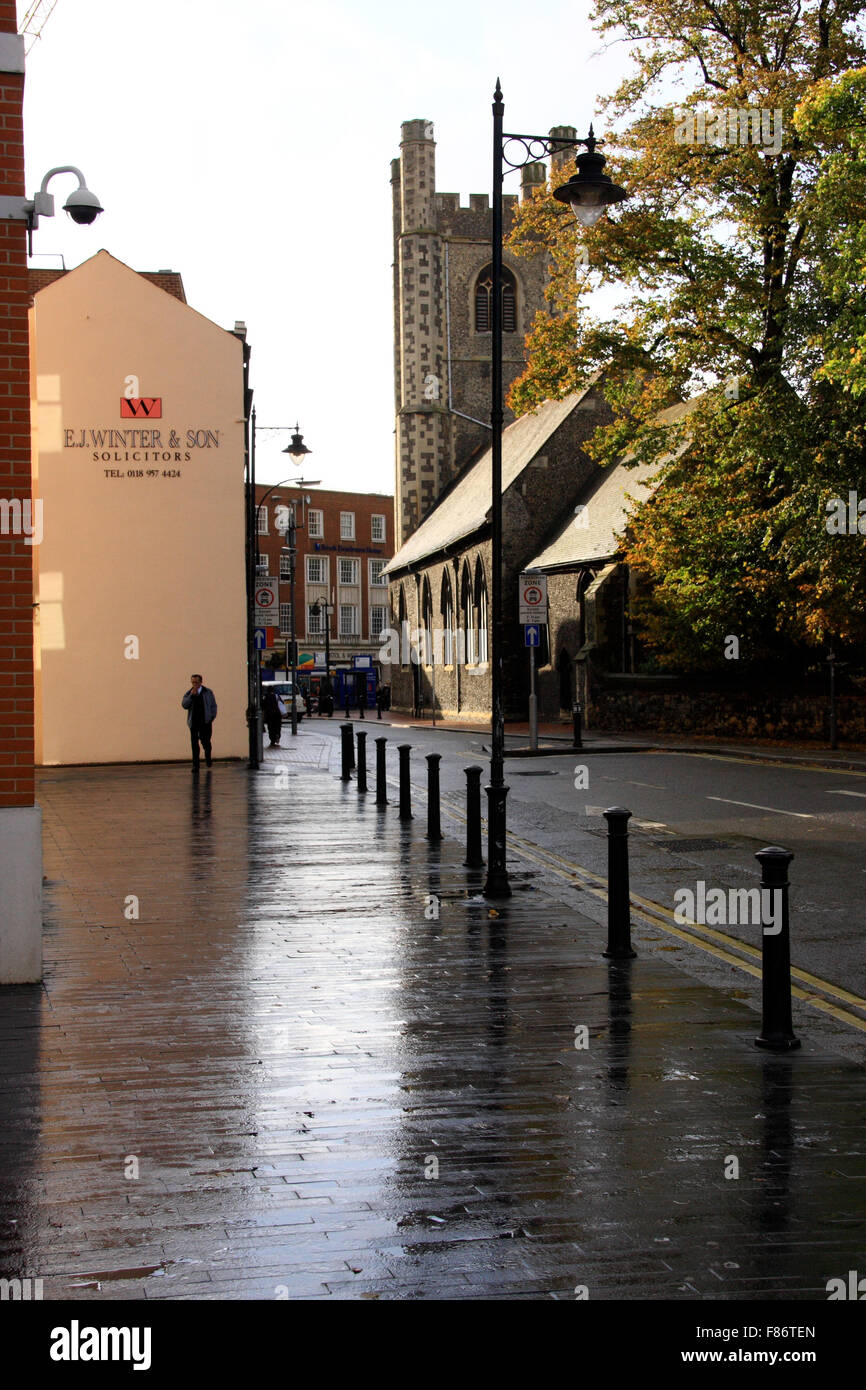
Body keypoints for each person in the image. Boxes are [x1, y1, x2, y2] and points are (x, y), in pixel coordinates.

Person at [182, 674, 217, 771]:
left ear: (201, 682)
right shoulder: (189, 693)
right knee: (194, 744)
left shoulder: (208, 692)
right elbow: (184, 705)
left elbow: (213, 705)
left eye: (196, 682)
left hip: (205, 722)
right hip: (194, 722)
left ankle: (208, 757)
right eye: (193, 682)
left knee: (205, 742)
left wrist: (211, 717)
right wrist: (191, 696)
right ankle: (195, 765)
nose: (195, 684)